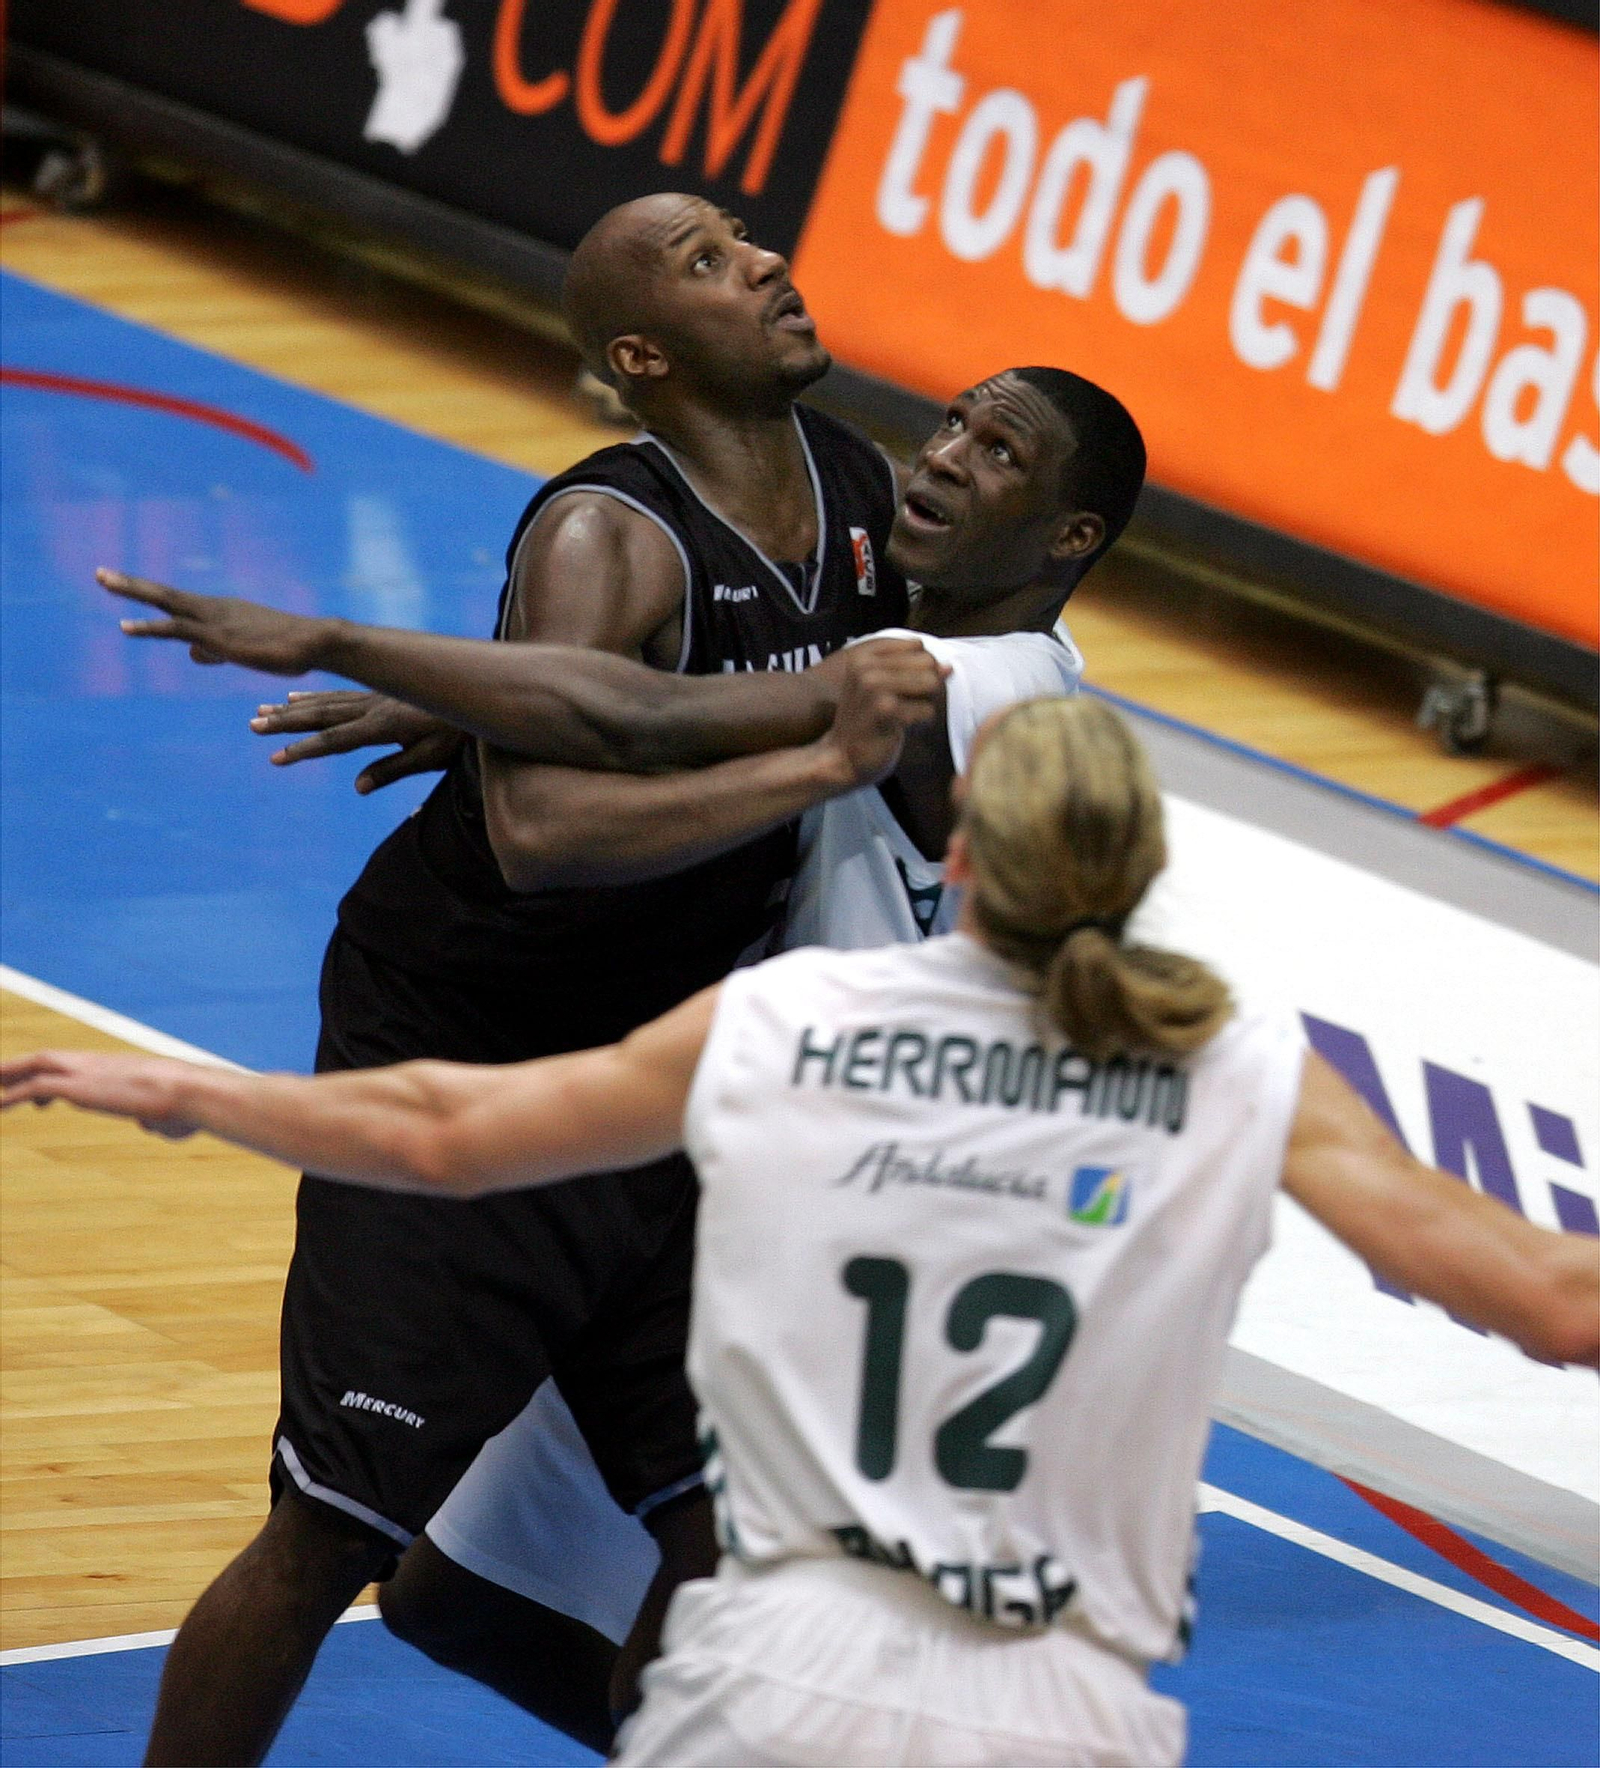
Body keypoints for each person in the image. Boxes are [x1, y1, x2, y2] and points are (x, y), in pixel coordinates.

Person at [8, 696, 1596, 1768]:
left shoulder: (797, 1016)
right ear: (1145, 876)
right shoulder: (1235, 1069)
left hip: (768, 1672)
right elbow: (1551, 1305)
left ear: (959, 854)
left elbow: (446, 1133)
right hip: (1040, 1696)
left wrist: (189, 1096)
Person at [99, 364, 1148, 1690]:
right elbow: (716, 698)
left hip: (835, 1198)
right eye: (953, 423)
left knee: (712, 1561)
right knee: (448, 1599)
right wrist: (472, 709)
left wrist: (370, 657)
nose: (943, 456)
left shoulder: (963, 679)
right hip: (687, 1160)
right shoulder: (936, 640)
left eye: (999, 455)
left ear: (1070, 538)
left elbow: (650, 716)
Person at [103, 189, 916, 1767]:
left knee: (734, 1533)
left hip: (665, 1072)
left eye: (746, 239)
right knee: (332, 1529)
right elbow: (547, 827)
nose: (762, 263)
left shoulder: (860, 489)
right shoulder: (608, 529)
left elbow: (859, 678)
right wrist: (820, 763)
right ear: (643, 355)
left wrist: (462, 707)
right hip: (470, 1059)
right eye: (707, 263)